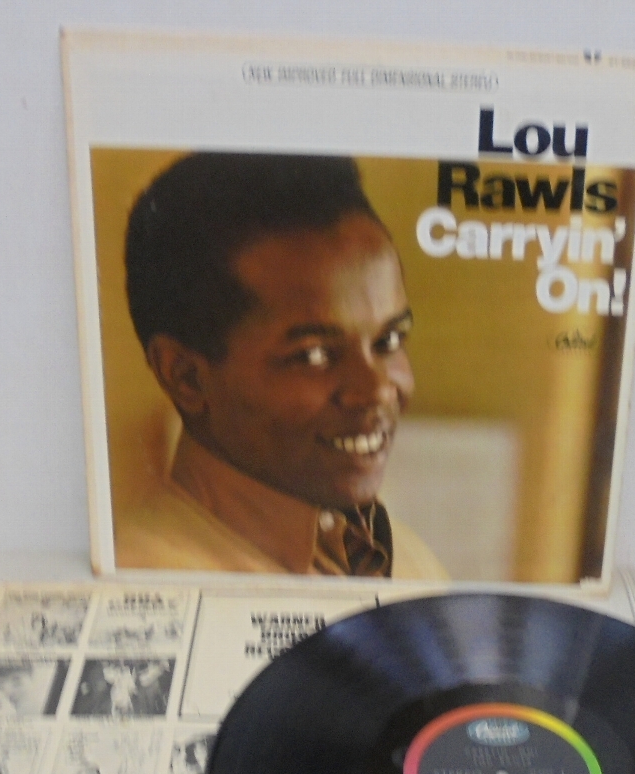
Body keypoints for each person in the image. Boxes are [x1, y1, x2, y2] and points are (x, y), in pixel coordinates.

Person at [120, 152, 447, 579]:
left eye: (388, 341)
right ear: (186, 377)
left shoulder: (411, 562)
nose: (378, 390)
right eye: (314, 355)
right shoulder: (144, 575)